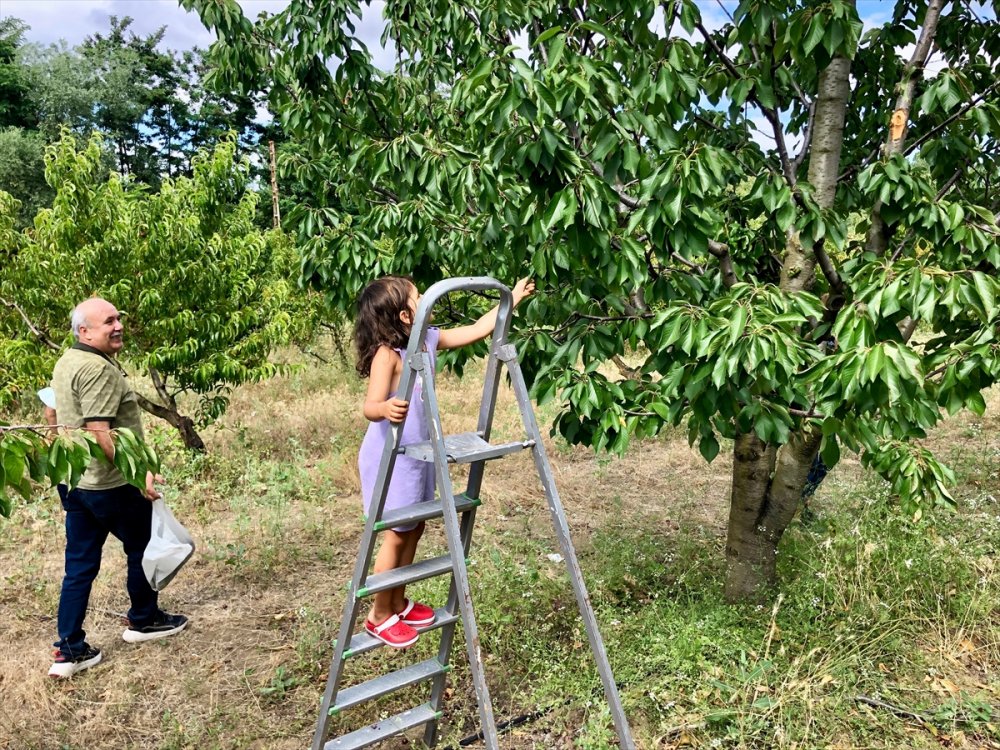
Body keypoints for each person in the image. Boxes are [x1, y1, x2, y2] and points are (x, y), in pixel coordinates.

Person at [354, 275, 534, 648]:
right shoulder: (388, 355)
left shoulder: (428, 339)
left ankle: (397, 602)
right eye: (420, 297)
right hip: (391, 458)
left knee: (414, 530)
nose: (427, 300)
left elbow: (475, 330)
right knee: (396, 533)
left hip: (419, 455)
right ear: (404, 315)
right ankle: (378, 614)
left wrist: (511, 300)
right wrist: (385, 407)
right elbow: (370, 406)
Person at [48, 297, 188, 678]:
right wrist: (138, 473)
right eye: (107, 321)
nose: (118, 325)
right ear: (85, 331)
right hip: (109, 484)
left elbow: (51, 409)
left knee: (78, 566)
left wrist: (55, 448)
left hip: (75, 482)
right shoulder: (97, 370)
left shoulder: (67, 362)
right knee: (142, 548)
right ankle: (144, 620)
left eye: (118, 318)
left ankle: (69, 649)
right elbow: (100, 431)